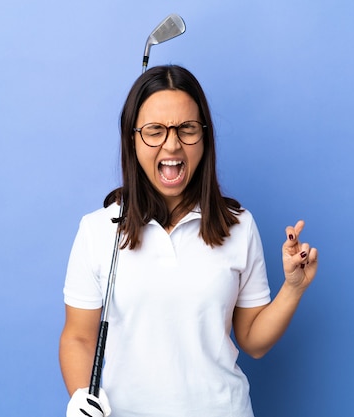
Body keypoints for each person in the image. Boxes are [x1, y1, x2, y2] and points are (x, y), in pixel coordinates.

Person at [59, 65, 319, 417]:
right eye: (154, 130)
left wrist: (293, 287)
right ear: (132, 138)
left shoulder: (238, 226)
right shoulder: (98, 229)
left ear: (205, 136)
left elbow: (253, 341)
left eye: (187, 129)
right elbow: (79, 337)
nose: (172, 143)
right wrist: (80, 398)